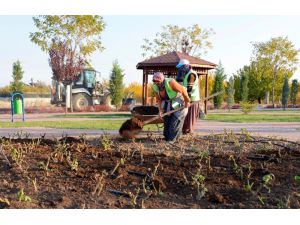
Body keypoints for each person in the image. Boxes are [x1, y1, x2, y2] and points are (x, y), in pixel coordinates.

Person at [152, 72, 190, 143]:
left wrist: (187, 101)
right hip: (168, 102)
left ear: (162, 80)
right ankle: (167, 137)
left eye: (158, 81)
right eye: (154, 81)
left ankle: (172, 139)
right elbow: (159, 100)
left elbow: (183, 90)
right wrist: (160, 110)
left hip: (179, 100)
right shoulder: (155, 87)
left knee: (175, 119)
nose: (156, 82)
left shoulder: (170, 82)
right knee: (167, 118)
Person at [176, 59, 200, 134]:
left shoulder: (191, 75)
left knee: (190, 117)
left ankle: (188, 132)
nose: (180, 69)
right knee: (184, 115)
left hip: (192, 99)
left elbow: (189, 89)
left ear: (186, 66)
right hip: (186, 97)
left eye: (181, 67)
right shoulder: (187, 74)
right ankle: (184, 130)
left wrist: (185, 99)